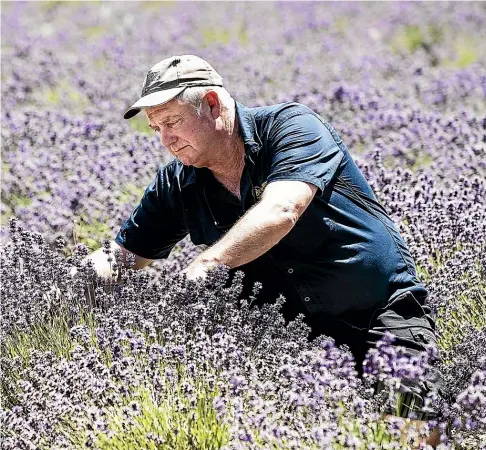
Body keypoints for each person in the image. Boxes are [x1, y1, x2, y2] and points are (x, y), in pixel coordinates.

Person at [84, 55, 441, 444]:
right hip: (289, 345)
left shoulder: (292, 126)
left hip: (379, 315)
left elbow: (281, 210)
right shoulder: (177, 184)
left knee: (411, 435)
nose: (165, 139)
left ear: (213, 104)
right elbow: (122, 257)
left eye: (172, 122)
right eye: (155, 128)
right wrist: (61, 285)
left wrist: (205, 265)